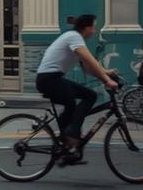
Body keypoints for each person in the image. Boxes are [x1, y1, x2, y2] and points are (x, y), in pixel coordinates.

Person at [35, 14, 117, 164]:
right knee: (80, 99)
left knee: (82, 99)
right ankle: (71, 135)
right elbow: (89, 59)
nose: (94, 30)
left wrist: (105, 73)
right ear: (86, 27)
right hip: (48, 79)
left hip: (51, 78)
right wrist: (107, 80)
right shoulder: (74, 37)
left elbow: (88, 69)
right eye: (94, 27)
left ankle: (67, 144)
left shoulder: (75, 39)